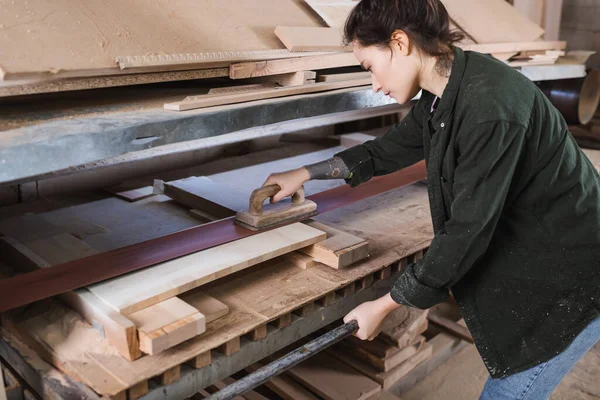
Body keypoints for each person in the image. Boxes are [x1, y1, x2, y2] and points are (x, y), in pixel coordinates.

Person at [263, 0, 600, 398]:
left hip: (573, 273)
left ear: (400, 43)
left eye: (370, 67)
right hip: (545, 250)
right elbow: (389, 149)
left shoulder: (490, 106)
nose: (373, 85)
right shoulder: (448, 89)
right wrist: (303, 173)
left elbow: (467, 231)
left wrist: (386, 305)